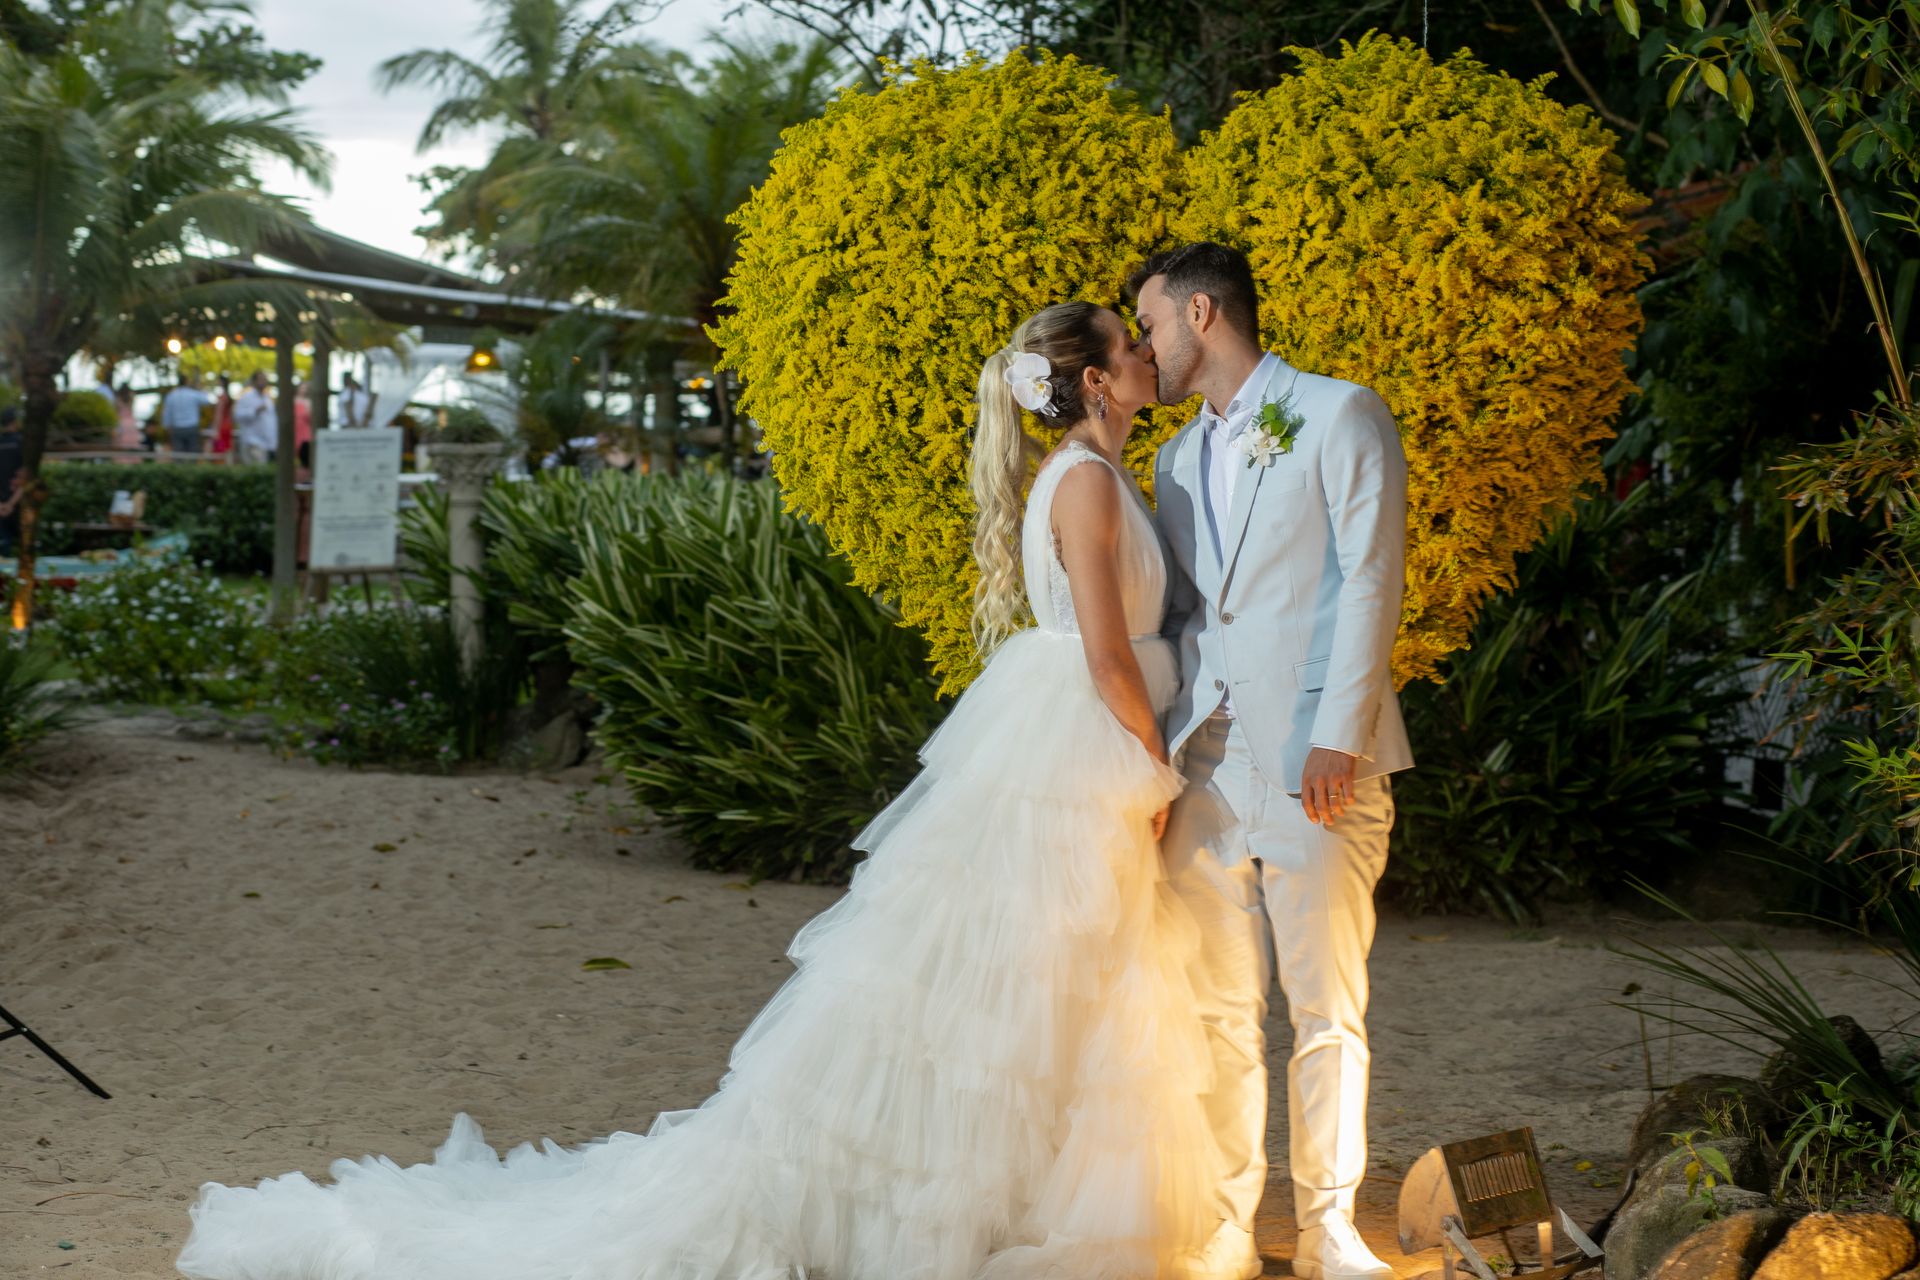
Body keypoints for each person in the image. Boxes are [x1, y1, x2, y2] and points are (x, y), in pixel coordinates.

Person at [176, 302, 1221, 1280]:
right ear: (1092, 384)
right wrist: (1152, 757)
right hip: (1085, 741)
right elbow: (1104, 650)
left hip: (1064, 737)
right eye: (1128, 344)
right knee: (1034, 967)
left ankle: (1021, 1192)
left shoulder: (1095, 472)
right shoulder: (1082, 481)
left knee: (1041, 972)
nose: (1145, 353)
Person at [1133, 242, 1413, 1280]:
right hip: (1205, 765)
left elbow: (1371, 572)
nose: (1146, 349)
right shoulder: (1168, 459)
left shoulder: (1339, 412)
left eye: (1152, 324)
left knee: (1327, 1005)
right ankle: (1225, 1224)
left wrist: (1339, 728)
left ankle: (1331, 1225)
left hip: (1317, 759)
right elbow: (1186, 614)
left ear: (1202, 313)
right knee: (1216, 1008)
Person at [160, 374, 211, 455]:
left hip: (177, 428)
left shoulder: (171, 395)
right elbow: (207, 401)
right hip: (191, 427)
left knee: (178, 455)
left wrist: (167, 427)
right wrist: (201, 389)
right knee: (193, 454)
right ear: (187, 382)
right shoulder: (193, 394)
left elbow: (166, 413)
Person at [232, 372, 276, 465]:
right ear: (254, 381)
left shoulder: (268, 399)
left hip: (266, 444)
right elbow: (237, 416)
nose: (263, 382)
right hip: (252, 442)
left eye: (265, 379)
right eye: (261, 379)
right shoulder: (246, 398)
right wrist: (254, 411)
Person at [0, 406, 22, 556]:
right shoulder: (22, 442)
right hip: (18, 501)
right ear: (15, 421)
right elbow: (26, 476)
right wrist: (11, 504)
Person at [210, 375, 235, 460]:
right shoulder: (228, 397)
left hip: (221, 427)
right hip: (228, 426)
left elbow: (218, 414)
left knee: (220, 450)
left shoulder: (222, 397)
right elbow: (231, 414)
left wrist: (215, 429)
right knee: (227, 449)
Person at [112, 384, 141, 450]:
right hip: (131, 422)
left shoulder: (118, 398)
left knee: (122, 442)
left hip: (121, 422)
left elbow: (116, 411)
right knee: (132, 442)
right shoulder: (131, 396)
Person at [293, 380, 313, 469]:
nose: (304, 390)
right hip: (296, 429)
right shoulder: (293, 401)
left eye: (306, 388)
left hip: (306, 430)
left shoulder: (310, 402)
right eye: (302, 387)